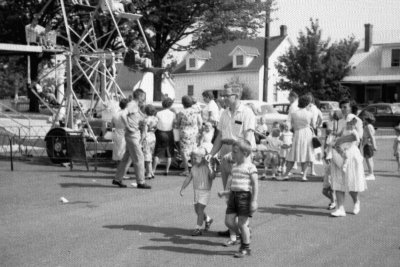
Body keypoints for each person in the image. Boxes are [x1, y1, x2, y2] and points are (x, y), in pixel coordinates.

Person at [206, 85, 256, 238]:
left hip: (241, 156)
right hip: (225, 154)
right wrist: (211, 154)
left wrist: (237, 155)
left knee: (241, 192)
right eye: (222, 95)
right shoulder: (224, 113)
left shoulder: (247, 112)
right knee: (229, 194)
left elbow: (247, 139)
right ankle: (232, 227)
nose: (223, 98)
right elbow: (220, 137)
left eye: (227, 95)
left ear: (236, 95)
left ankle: (244, 227)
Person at [218, 139, 258, 258]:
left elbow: (255, 184)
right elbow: (234, 186)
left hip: (244, 197)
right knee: (228, 221)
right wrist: (225, 193)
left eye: (235, 152)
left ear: (245, 153)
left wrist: (254, 201)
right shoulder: (234, 167)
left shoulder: (250, 167)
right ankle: (243, 233)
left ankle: (245, 247)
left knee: (242, 223)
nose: (232, 154)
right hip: (233, 197)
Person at [330, 100, 367, 217]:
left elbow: (358, 137)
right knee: (338, 180)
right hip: (339, 152)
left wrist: (340, 140)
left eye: (345, 107)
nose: (343, 109)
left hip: (351, 152)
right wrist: (333, 137)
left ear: (351, 108)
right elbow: (339, 134)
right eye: (342, 107)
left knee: (351, 181)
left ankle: (356, 202)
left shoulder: (356, 120)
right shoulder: (341, 121)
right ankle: (340, 208)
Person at [112, 89, 151, 189]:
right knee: (139, 158)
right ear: (139, 96)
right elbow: (123, 115)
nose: (144, 98)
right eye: (143, 96)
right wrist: (128, 126)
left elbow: (132, 116)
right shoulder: (132, 104)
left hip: (132, 134)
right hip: (132, 134)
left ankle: (117, 178)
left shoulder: (134, 105)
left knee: (127, 158)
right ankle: (140, 181)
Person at [180, 147, 215, 236]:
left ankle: (198, 228)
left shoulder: (207, 167)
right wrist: (183, 188)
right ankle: (208, 219)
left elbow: (212, 176)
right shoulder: (193, 168)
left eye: (195, 158)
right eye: (192, 158)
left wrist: (210, 167)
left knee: (199, 210)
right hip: (196, 191)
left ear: (203, 158)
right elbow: (188, 178)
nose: (192, 160)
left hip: (205, 191)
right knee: (197, 210)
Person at [280, 95, 315, 181]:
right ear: (307, 103)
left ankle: (285, 174)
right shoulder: (310, 113)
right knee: (307, 153)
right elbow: (313, 125)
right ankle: (304, 175)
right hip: (307, 133)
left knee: (293, 154)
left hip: (297, 133)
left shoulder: (294, 113)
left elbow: (291, 125)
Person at [176, 95, 203, 176]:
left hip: (185, 133)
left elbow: (178, 123)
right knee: (193, 151)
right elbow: (200, 123)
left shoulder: (182, 112)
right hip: (194, 133)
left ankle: (186, 170)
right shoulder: (196, 111)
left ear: (183, 103)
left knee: (184, 152)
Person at [153, 97, 175, 176]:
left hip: (160, 132)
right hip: (169, 133)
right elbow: (174, 124)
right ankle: (166, 170)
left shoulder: (158, 113)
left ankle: (153, 170)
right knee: (169, 152)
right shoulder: (173, 114)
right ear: (171, 105)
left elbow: (155, 123)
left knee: (157, 152)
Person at [360, 111, 377, 180]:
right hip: (367, 145)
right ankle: (371, 173)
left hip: (368, 145)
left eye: (363, 119)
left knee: (368, 159)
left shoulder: (368, 126)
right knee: (369, 159)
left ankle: (371, 174)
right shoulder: (368, 126)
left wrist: (374, 145)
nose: (362, 120)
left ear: (366, 119)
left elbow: (371, 136)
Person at [143, 104, 158, 179]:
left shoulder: (146, 120)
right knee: (150, 155)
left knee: (146, 155)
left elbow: (144, 131)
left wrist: (141, 140)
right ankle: (151, 172)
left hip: (147, 136)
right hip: (153, 136)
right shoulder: (155, 119)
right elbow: (156, 128)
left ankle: (148, 173)